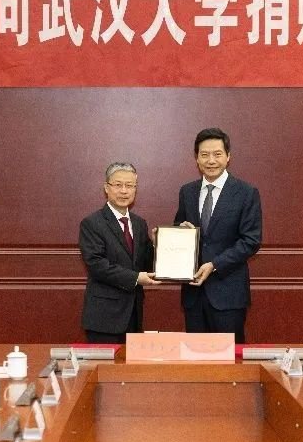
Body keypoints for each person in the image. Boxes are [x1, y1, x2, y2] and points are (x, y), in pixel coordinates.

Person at [174, 128, 262, 343]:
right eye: (204, 155)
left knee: (229, 357)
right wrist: (174, 233)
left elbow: (251, 241)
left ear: (228, 156)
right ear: (196, 158)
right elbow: (180, 227)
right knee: (195, 356)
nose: (211, 160)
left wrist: (215, 264)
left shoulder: (246, 192)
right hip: (194, 294)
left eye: (217, 154)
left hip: (228, 294)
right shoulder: (187, 192)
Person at [79, 162, 160, 343]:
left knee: (130, 363)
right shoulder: (92, 223)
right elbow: (97, 265)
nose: (124, 191)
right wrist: (136, 278)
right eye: (118, 185)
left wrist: (156, 245)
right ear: (106, 188)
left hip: (133, 315)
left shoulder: (139, 223)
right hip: (104, 318)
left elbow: (145, 264)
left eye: (129, 185)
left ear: (135, 189)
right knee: (104, 362)